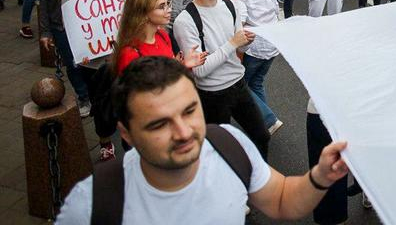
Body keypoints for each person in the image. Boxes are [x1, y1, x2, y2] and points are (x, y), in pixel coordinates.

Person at [55, 56, 349, 225]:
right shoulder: (91, 205)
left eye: (190, 111)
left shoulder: (228, 143)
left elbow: (282, 200)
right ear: (127, 134)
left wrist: (320, 176)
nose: (184, 132)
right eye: (159, 124)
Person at [173, 0, 270, 158]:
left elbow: (238, 52)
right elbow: (200, 71)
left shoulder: (229, 5)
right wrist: (233, 43)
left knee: (262, 135)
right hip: (212, 94)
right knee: (221, 150)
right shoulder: (185, 20)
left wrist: (245, 43)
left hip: (239, 84)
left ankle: (259, 182)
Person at [61, 0, 133, 160]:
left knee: (130, 103)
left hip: (126, 55)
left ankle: (131, 145)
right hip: (96, 63)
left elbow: (133, 4)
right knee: (103, 107)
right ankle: (104, 139)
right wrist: (80, 49)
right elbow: (70, 24)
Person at [228, 0, 283, 134]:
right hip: (272, 42)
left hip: (253, 46)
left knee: (239, 84)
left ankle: (268, 119)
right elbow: (276, 9)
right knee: (257, 82)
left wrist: (237, 49)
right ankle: (263, 122)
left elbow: (240, 21)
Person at [114, 0, 205, 75]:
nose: (169, 9)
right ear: (143, 14)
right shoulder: (130, 55)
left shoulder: (162, 35)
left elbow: (168, 75)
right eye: (161, 7)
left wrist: (182, 65)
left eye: (168, 3)